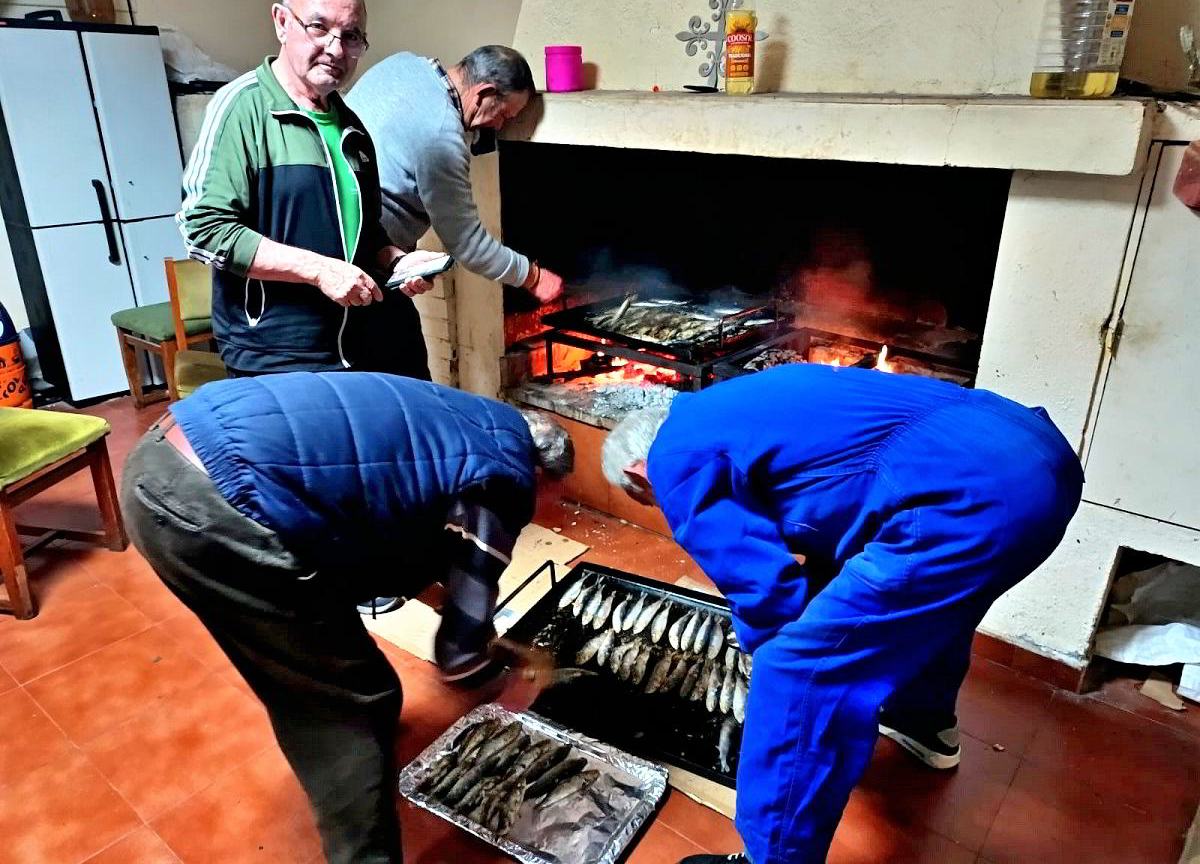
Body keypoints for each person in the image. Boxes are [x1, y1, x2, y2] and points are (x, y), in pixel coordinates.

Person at [601, 364, 1083, 864]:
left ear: (639, 472)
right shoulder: (724, 408)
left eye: (650, 501)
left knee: (800, 667)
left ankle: (775, 858)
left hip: (969, 500)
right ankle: (923, 723)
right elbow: (838, 500)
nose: (663, 509)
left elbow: (765, 592)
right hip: (1034, 459)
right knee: (922, 606)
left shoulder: (672, 457)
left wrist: (769, 657)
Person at [121, 371, 572, 864]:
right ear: (542, 474)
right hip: (214, 507)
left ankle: (364, 755)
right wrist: (507, 683)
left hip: (163, 455)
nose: (547, 510)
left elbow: (403, 528)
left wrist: (466, 606)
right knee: (349, 699)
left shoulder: (472, 420)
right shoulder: (503, 480)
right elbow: (457, 661)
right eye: (555, 498)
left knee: (299, 650)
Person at [176, 0, 446, 381]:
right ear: (282, 22)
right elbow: (204, 229)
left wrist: (397, 262)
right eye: (319, 27)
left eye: (352, 36)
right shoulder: (242, 108)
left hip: (361, 342)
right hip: (278, 354)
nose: (336, 49)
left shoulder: (352, 126)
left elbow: (367, 234)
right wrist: (319, 269)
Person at [347, 45, 564, 305]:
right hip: (359, 265)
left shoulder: (402, 63)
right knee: (401, 343)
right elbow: (468, 244)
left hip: (344, 235)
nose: (499, 125)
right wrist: (533, 277)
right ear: (484, 93)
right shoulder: (442, 134)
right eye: (503, 114)